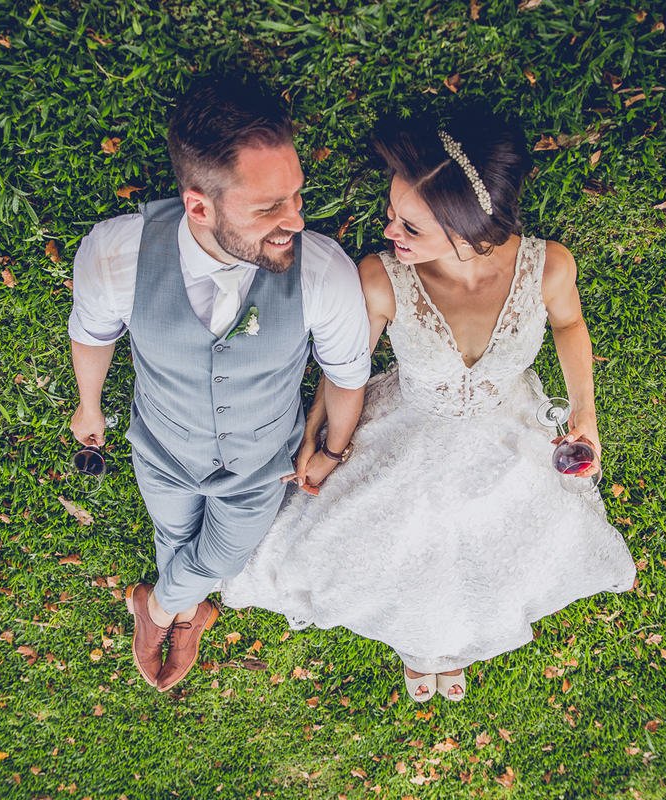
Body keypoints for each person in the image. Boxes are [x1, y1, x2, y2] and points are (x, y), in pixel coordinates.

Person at [219, 114, 637, 701]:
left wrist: (584, 412)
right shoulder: (381, 279)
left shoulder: (548, 267)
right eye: (393, 214)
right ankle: (418, 643)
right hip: (406, 428)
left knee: (491, 557)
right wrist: (325, 443)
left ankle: (452, 643)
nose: (391, 231)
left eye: (410, 225)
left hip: (506, 432)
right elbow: (346, 372)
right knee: (399, 553)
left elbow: (569, 324)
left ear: (469, 231)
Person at [67, 76, 371, 692]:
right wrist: (87, 405)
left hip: (262, 464)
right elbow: (93, 332)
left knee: (222, 556)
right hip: (161, 446)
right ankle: (191, 610)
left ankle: (157, 611)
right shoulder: (117, 253)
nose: (295, 221)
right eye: (267, 208)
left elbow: (347, 374)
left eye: (295, 197)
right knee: (174, 534)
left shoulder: (324, 272)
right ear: (199, 206)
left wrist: (332, 449)